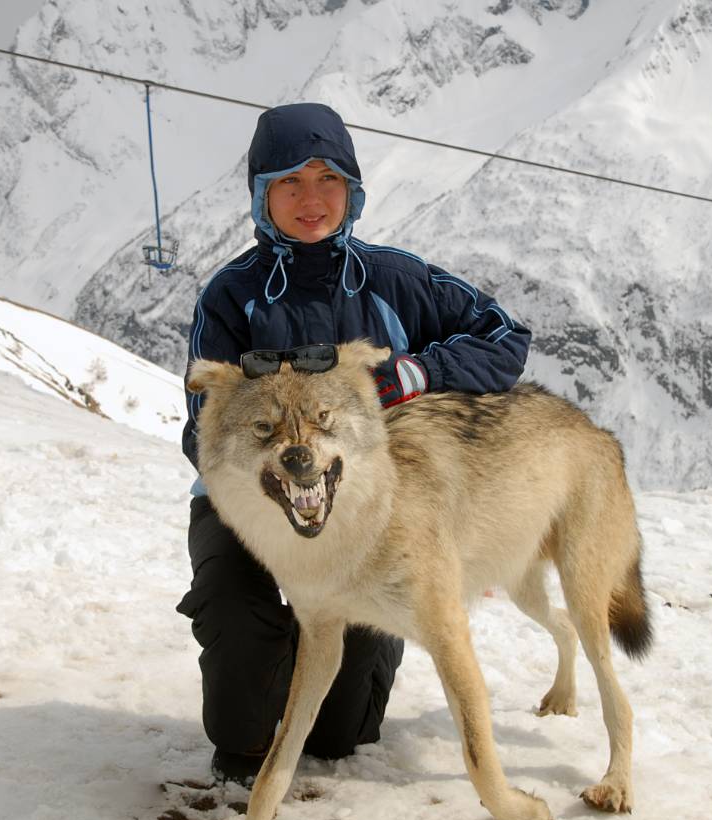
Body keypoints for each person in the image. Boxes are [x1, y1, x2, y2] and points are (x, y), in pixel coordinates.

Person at [177, 102, 531, 785]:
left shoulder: (394, 278)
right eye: (290, 183)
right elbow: (203, 426)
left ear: (353, 190)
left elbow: (504, 338)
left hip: (375, 513)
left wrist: (420, 372)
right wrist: (264, 495)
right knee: (237, 635)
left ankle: (303, 677)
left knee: (342, 736)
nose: (312, 200)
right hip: (253, 503)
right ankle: (256, 695)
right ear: (262, 194)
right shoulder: (232, 295)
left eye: (328, 180)